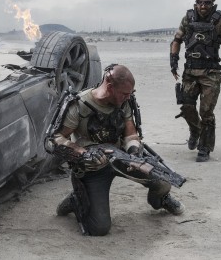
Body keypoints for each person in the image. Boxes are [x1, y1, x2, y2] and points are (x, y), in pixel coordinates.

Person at [50, 64, 185, 236]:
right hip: (93, 167)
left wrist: (135, 153)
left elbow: (130, 135)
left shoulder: (123, 102)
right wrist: (82, 152)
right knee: (99, 229)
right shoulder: (79, 105)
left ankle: (160, 200)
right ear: (110, 86)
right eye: (124, 93)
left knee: (163, 180)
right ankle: (77, 200)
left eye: (130, 93)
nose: (128, 97)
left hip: (122, 158)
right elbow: (57, 138)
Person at [170, 0, 221, 162]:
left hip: (211, 72)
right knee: (187, 106)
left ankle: (205, 147)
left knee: (206, 112)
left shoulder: (219, 22)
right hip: (191, 70)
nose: (203, 5)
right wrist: (173, 61)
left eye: (207, 2)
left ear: (212, 4)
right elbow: (176, 40)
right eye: (200, 2)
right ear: (196, 3)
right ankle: (195, 131)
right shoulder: (188, 19)